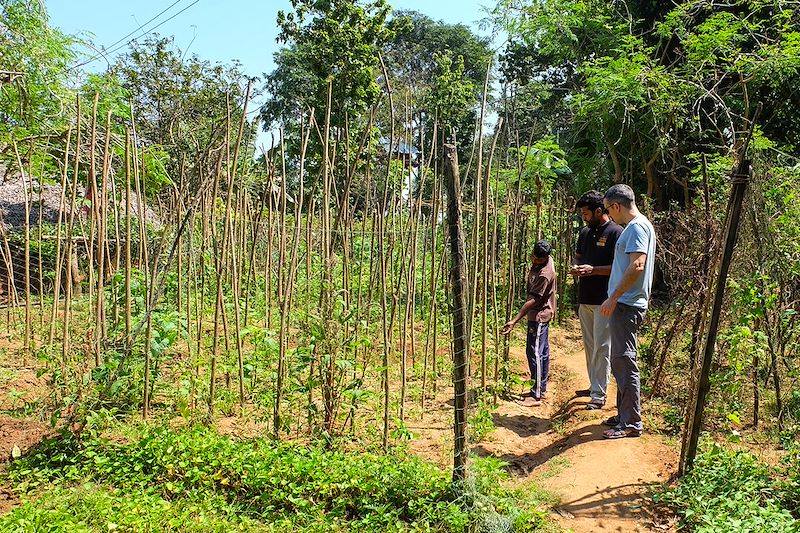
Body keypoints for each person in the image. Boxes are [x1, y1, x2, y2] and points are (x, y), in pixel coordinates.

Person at [599, 184, 656, 439]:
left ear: (616, 206)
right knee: (620, 359)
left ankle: (632, 422)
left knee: (624, 361)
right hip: (626, 303)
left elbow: (637, 265)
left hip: (627, 304)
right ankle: (623, 414)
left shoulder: (635, 228)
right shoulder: (639, 226)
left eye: (610, 211)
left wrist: (614, 297)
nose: (611, 217)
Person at [571, 191, 623, 410]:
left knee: (603, 346)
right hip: (586, 298)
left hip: (605, 299)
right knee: (590, 345)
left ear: (599, 211)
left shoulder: (616, 233)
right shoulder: (585, 232)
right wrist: (577, 266)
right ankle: (594, 384)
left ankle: (599, 394)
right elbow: (579, 255)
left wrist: (593, 270)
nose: (583, 217)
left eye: (586, 213)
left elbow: (619, 268)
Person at [501, 240, 557, 407]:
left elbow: (533, 300)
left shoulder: (545, 274)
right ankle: (541, 387)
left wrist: (514, 320)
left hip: (540, 315)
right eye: (534, 258)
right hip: (537, 314)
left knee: (535, 353)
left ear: (546, 258)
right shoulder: (542, 261)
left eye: (539, 260)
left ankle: (536, 394)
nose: (535, 261)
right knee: (541, 351)